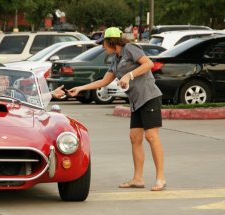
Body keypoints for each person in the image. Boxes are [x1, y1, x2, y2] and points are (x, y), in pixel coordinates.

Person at [52, 27, 166, 191]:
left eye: (103, 43)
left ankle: (161, 178)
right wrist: (80, 88)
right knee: (135, 137)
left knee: (151, 136)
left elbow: (148, 63)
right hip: (136, 101)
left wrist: (129, 75)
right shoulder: (116, 59)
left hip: (149, 97)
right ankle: (138, 179)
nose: (102, 46)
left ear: (111, 41)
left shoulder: (130, 49)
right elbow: (104, 81)